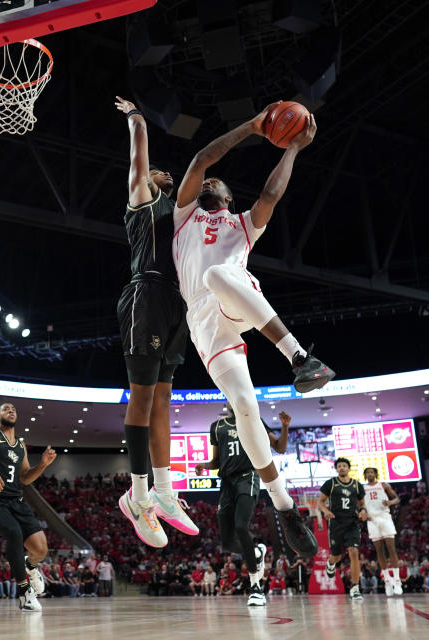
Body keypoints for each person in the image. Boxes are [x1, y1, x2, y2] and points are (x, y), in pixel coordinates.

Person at [170, 103, 328, 560]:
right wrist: (253, 127)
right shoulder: (184, 217)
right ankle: (284, 505)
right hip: (204, 324)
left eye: (217, 184)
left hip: (234, 295)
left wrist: (294, 147)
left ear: (229, 198)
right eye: (207, 182)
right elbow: (201, 159)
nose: (209, 182)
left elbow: (272, 195)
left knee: (219, 274)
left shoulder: (242, 226)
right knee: (244, 405)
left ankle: (301, 358)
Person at [114, 96, 198, 548]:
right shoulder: (142, 200)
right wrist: (137, 119)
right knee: (143, 399)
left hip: (175, 303)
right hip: (145, 294)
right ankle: (138, 496)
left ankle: (164, 491)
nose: (162, 172)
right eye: (156, 172)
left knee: (166, 399)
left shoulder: (177, 213)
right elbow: (138, 157)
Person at [196, 406, 292, 606]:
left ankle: (256, 587)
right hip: (226, 483)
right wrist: (205, 466)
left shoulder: (254, 420)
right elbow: (216, 461)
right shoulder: (216, 426)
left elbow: (280, 448)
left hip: (247, 477)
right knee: (228, 544)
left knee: (241, 526)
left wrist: (285, 427)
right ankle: (257, 552)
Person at [0, 402, 56, 611]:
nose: (11, 410)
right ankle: (24, 592)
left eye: (13, 409)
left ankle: (30, 565)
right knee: (14, 532)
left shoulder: (20, 445)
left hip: (16, 500)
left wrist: (43, 464)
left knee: (41, 549)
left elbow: (25, 478)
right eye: (6, 408)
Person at [317, 458, 367, 599]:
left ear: (348, 468)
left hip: (352, 522)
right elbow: (320, 502)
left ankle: (355, 587)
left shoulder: (357, 485)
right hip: (336, 523)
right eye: (339, 466)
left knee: (354, 551)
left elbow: (362, 503)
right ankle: (331, 563)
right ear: (336, 469)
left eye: (344, 466)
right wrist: (325, 511)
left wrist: (363, 511)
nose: (342, 468)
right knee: (337, 556)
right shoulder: (331, 483)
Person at [362, 467, 402, 595]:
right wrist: (363, 512)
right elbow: (360, 504)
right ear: (365, 475)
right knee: (379, 551)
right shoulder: (362, 488)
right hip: (372, 519)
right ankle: (387, 582)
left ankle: (397, 580)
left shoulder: (383, 485)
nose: (370, 474)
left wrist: (390, 502)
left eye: (372, 472)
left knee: (391, 548)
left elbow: (397, 499)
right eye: (367, 472)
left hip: (384, 517)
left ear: (375, 474)